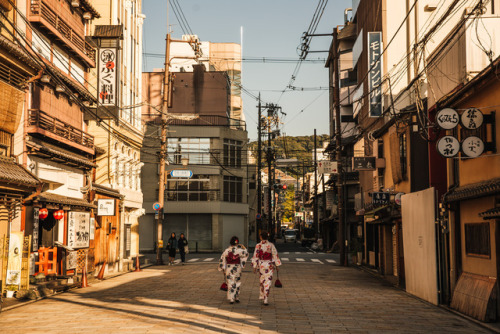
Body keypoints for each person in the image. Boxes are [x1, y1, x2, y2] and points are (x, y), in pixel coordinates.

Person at [252, 231, 281, 305]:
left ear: (261, 237)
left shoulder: (258, 245)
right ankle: (266, 298)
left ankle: (263, 296)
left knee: (262, 281)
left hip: (261, 265)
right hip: (269, 265)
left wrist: (255, 266)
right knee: (268, 281)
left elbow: (256, 256)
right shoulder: (271, 245)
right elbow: (275, 255)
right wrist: (277, 265)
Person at [218, 236, 249, 304]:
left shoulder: (227, 251)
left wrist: (223, 268)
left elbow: (222, 260)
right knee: (237, 282)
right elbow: (246, 254)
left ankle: (231, 298)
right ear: (237, 243)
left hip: (229, 268)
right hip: (237, 268)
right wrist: (244, 247)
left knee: (230, 282)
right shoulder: (240, 250)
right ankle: (237, 297)